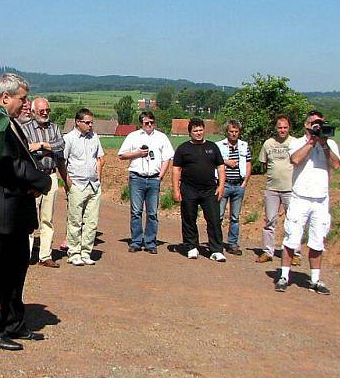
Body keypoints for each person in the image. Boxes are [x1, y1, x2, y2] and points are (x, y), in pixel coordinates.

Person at [0, 73, 51, 351]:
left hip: (15, 214)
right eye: (23, 98)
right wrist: (43, 180)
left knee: (15, 271)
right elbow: (11, 165)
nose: (26, 104)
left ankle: (13, 322)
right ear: (6, 97)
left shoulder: (10, 122)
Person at [275, 110, 340, 295]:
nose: (318, 125)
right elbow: (295, 159)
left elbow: (336, 165)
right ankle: (284, 276)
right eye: (314, 123)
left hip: (320, 199)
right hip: (300, 197)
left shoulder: (329, 143)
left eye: (320, 122)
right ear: (306, 125)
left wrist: (324, 143)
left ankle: (315, 279)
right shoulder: (297, 142)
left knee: (318, 239)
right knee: (291, 238)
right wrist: (312, 141)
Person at [117, 110, 174, 254]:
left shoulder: (161, 137)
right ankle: (136, 241)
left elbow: (167, 158)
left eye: (151, 122)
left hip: (154, 178)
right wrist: (137, 153)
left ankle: (150, 242)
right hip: (137, 178)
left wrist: (160, 176)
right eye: (146, 123)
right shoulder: (133, 136)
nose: (149, 125)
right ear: (141, 124)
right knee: (136, 212)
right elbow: (122, 155)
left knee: (152, 213)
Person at [172, 118, 227, 262]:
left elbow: (220, 167)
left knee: (214, 220)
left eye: (200, 130)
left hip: (209, 190)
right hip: (189, 189)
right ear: (190, 132)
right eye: (195, 130)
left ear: (204, 130)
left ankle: (216, 250)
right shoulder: (183, 148)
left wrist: (221, 186)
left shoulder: (212, 147)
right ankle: (191, 247)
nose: (198, 133)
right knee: (189, 219)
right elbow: (176, 169)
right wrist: (176, 189)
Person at [22, 97, 66, 267]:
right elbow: (26, 150)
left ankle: (45, 255)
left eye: (48, 110)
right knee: (29, 218)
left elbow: (60, 146)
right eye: (42, 111)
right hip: (32, 177)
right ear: (33, 112)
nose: (46, 113)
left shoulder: (54, 128)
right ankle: (25, 255)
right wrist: (48, 148)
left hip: (51, 175)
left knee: (48, 218)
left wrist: (40, 145)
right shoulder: (25, 129)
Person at [257, 115, 301, 265]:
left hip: (291, 189)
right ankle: (267, 252)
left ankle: (294, 253)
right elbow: (264, 164)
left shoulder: (295, 143)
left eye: (285, 127)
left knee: (293, 221)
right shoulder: (268, 144)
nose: (282, 130)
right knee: (270, 221)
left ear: (289, 128)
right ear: (275, 128)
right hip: (272, 189)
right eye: (280, 127)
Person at [63, 108, 105, 266]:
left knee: (92, 221)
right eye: (87, 122)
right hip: (77, 184)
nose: (90, 125)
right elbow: (63, 161)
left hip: (93, 185)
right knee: (75, 220)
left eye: (91, 122)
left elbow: (100, 159)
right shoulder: (69, 139)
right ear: (77, 122)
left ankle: (86, 252)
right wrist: (68, 183)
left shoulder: (94, 137)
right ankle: (73, 252)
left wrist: (98, 179)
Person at [216, 120, 252, 255]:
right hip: (224, 184)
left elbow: (248, 164)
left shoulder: (244, 146)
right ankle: (217, 242)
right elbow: (214, 161)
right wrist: (226, 162)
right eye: (231, 131)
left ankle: (233, 244)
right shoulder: (219, 146)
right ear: (227, 131)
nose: (234, 134)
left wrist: (245, 183)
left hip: (238, 184)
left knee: (235, 217)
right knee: (218, 216)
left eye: (236, 131)